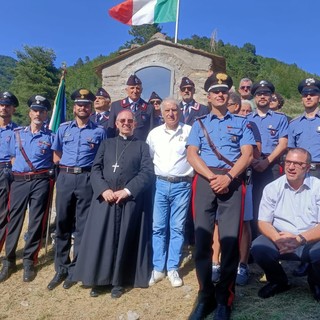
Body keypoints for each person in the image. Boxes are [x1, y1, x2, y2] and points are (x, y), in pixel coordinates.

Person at [187, 72, 255, 320]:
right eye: (215, 91)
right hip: (205, 181)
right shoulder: (199, 123)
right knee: (202, 240)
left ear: (229, 95)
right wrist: (212, 177)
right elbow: (192, 155)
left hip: (233, 181)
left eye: (224, 91)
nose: (220, 94)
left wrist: (227, 178)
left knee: (229, 241)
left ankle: (224, 298)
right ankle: (205, 295)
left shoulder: (242, 123)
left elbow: (247, 154)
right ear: (208, 96)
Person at [72, 109, 154, 298]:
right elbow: (95, 169)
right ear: (116, 124)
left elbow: (147, 173)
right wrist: (104, 189)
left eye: (129, 121)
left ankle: (118, 281)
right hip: (105, 201)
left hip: (128, 202)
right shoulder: (106, 144)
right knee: (102, 240)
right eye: (122, 120)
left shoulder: (141, 146)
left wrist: (126, 191)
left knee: (124, 239)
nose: (126, 123)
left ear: (134, 124)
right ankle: (99, 280)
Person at [47, 88, 106, 290]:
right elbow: (56, 154)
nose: (83, 107)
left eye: (87, 105)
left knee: (82, 226)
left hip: (87, 179)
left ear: (91, 109)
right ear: (74, 108)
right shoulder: (64, 129)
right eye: (80, 104)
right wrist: (66, 170)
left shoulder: (99, 131)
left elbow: (101, 158)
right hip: (65, 177)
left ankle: (75, 269)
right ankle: (61, 268)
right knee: (62, 222)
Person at [251, 148, 320, 302]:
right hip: (281, 238)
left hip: (310, 239)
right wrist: (277, 239)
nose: (290, 167)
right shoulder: (272, 188)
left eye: (297, 163)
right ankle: (278, 281)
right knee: (259, 247)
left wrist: (299, 239)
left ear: (308, 167)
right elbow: (263, 221)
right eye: (288, 162)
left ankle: (316, 282)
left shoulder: (318, 188)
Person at [0, 95, 54, 283]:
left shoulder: (51, 136)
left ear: (46, 114)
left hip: (40, 182)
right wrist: (20, 173)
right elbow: (12, 157)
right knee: (14, 219)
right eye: (35, 110)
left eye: (42, 111)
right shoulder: (17, 134)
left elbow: (55, 158)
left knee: (36, 221)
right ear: (30, 113)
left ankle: (30, 260)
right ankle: (9, 260)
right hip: (19, 181)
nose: (38, 114)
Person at [211, 92, 261, 286]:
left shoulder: (248, 125)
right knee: (217, 221)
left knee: (245, 221)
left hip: (242, 179)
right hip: (218, 178)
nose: (231, 108)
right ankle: (215, 262)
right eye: (230, 105)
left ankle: (242, 264)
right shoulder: (214, 122)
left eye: (233, 104)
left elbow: (254, 153)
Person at [146, 98, 193, 288]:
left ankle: (172, 267)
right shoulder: (154, 134)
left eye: (174, 110)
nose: (171, 113)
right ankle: (158, 268)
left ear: (180, 111)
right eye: (167, 110)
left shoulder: (190, 132)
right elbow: (150, 157)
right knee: (158, 227)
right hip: (160, 185)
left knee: (177, 228)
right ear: (162, 113)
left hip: (182, 185)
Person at [247, 80, 288, 240]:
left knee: (273, 204)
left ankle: (273, 241)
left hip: (271, 166)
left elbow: (283, 144)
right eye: (259, 94)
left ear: (271, 96)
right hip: (251, 166)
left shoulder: (280, 118)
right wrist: (252, 161)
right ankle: (253, 242)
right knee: (253, 203)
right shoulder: (247, 119)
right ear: (254, 97)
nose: (262, 97)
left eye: (266, 94)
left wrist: (266, 161)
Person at [288, 77, 320, 277]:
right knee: (304, 213)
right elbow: (291, 150)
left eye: (313, 94)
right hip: (302, 171)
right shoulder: (294, 124)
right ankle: (305, 257)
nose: (308, 97)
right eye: (305, 95)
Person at [107, 74, 154, 141]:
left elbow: (151, 130)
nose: (135, 91)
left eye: (137, 88)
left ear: (141, 90)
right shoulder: (116, 105)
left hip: (140, 146)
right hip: (120, 145)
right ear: (127, 90)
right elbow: (111, 129)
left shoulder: (149, 107)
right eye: (132, 88)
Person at [0, 92, 19, 252]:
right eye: (2, 104)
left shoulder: (17, 131)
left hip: (5, 172)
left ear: (13, 109)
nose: (4, 108)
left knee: (2, 213)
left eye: (8, 105)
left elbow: (16, 156)